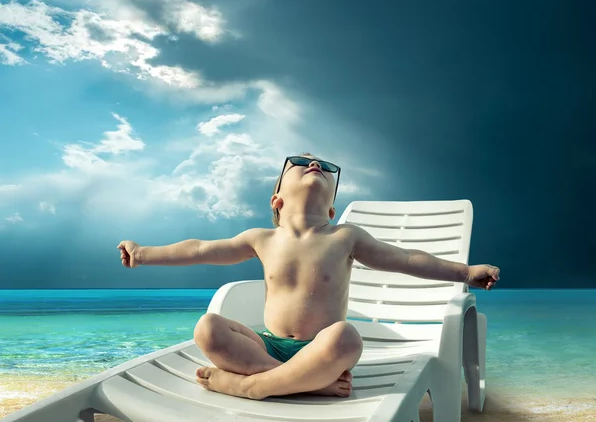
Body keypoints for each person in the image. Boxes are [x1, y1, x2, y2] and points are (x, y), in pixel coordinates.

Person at [117, 153, 500, 401]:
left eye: (325, 167)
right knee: (207, 327)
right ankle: (298, 381)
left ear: (332, 209)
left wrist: (464, 272)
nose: (315, 164)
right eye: (300, 162)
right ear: (276, 200)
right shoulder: (261, 239)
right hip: (265, 346)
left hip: (322, 351)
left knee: (346, 335)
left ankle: (251, 386)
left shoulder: (345, 237)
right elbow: (200, 249)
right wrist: (143, 254)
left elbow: (405, 258)